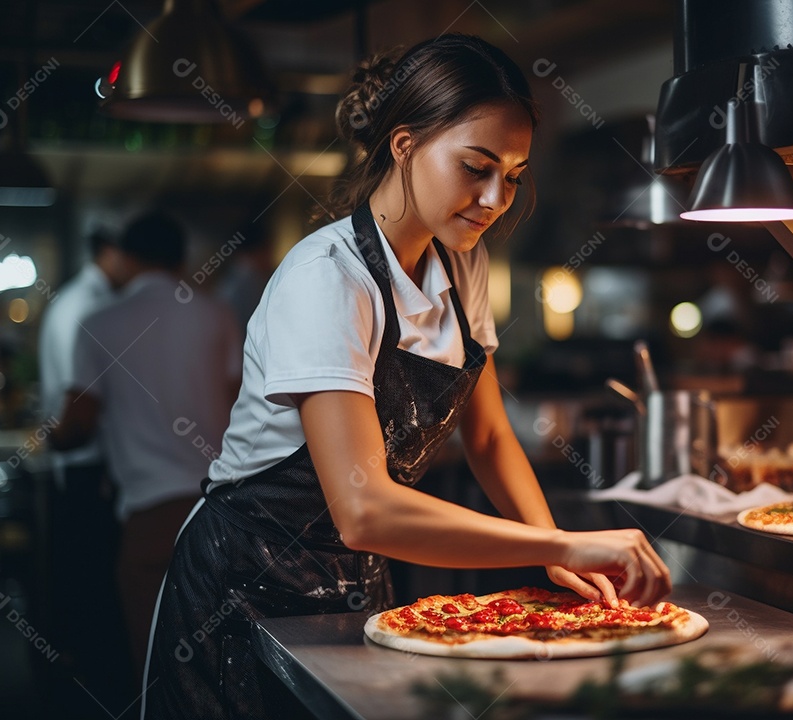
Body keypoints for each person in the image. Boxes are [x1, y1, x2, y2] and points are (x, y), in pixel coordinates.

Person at [142, 34, 671, 719]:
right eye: (476, 167)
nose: (494, 199)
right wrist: (565, 538)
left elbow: (487, 439)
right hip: (240, 586)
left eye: (512, 175)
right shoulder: (327, 279)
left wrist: (556, 559)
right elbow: (363, 510)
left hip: (356, 582)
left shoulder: (462, 261)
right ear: (403, 145)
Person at [50, 212, 242, 679]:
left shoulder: (100, 322)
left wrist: (51, 436)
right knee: (217, 660)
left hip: (148, 516)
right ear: (181, 259)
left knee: (156, 664)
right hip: (218, 513)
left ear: (128, 257)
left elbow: (78, 423)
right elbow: (245, 405)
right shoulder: (218, 313)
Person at [37, 228, 133, 713]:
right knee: (90, 584)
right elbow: (83, 409)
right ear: (108, 253)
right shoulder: (89, 308)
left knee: (82, 581)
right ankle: (96, 692)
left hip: (77, 460)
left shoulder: (77, 301)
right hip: (83, 463)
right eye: (127, 256)